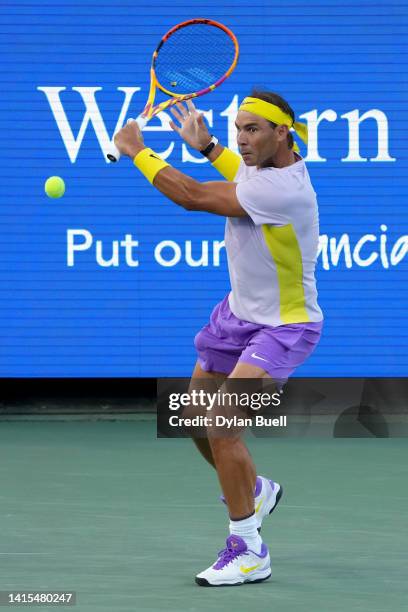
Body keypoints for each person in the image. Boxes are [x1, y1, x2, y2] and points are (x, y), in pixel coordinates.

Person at [114, 90, 324, 586]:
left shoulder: (285, 190)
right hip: (236, 314)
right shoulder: (265, 167)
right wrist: (209, 146)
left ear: (282, 133)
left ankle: (249, 547)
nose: (242, 140)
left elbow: (192, 197)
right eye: (237, 130)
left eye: (252, 130)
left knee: (223, 425)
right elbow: (239, 170)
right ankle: (254, 488)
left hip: (283, 326)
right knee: (191, 416)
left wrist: (137, 150)